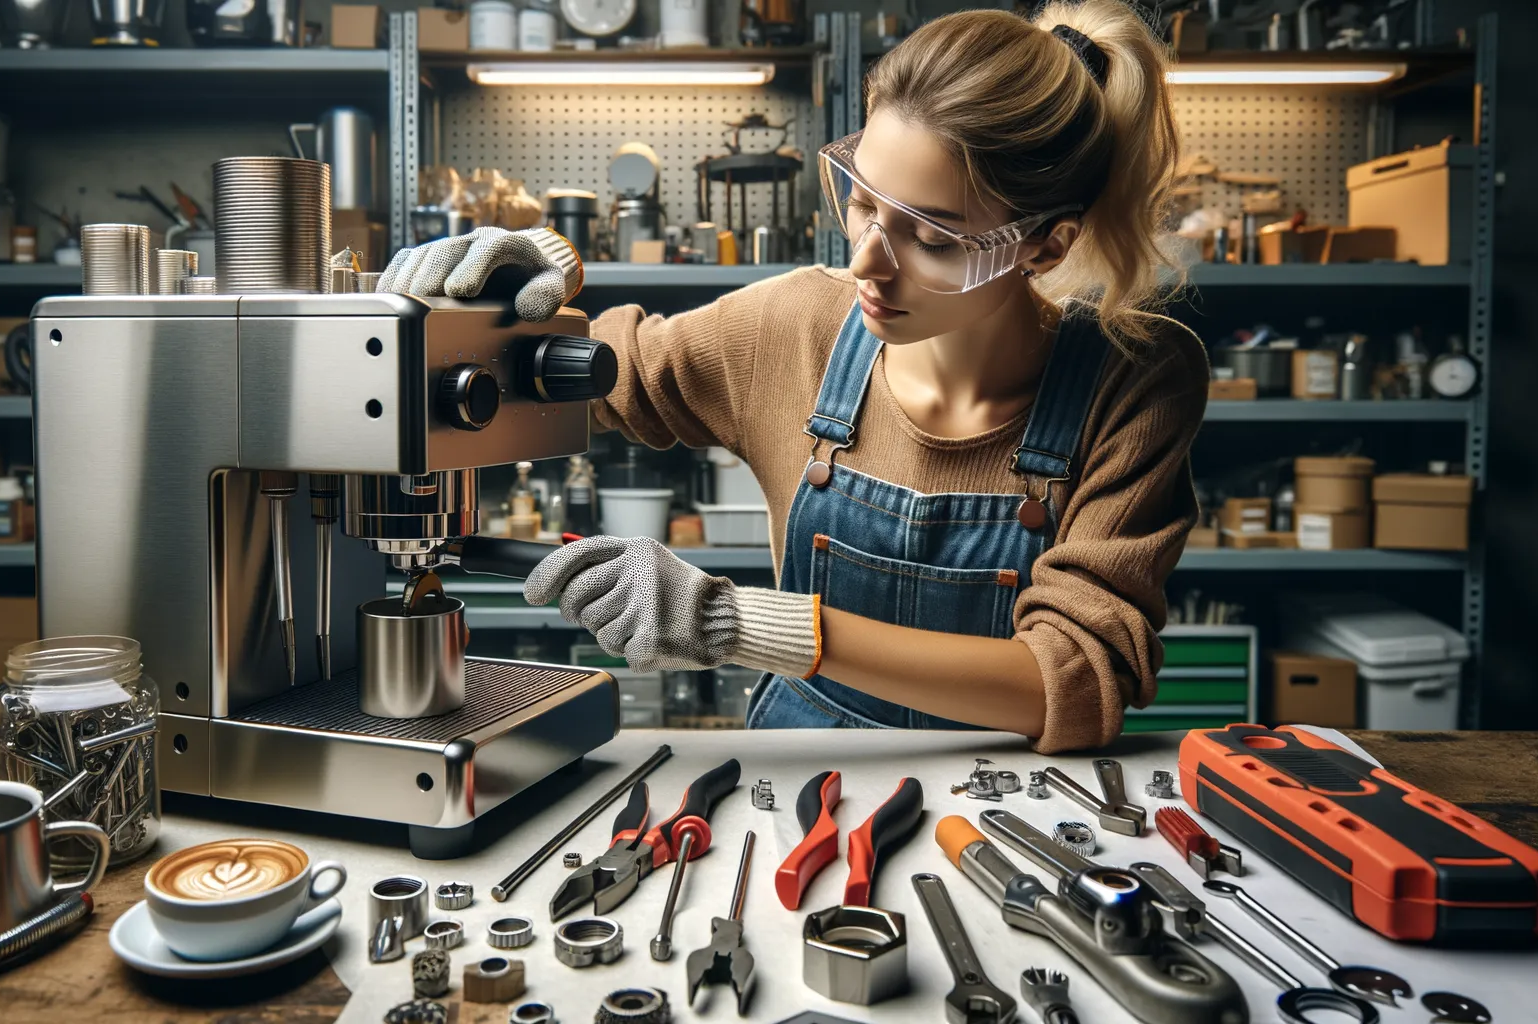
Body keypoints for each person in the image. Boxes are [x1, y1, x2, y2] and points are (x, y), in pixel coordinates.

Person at [378, 0, 1206, 753]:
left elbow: (1075, 681)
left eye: (933, 238)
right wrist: (519, 293)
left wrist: (743, 622)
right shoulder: (794, 325)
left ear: (1046, 246)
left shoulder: (1135, 379)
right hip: (804, 773)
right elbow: (592, 374)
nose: (868, 263)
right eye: (864, 201)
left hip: (1013, 804)